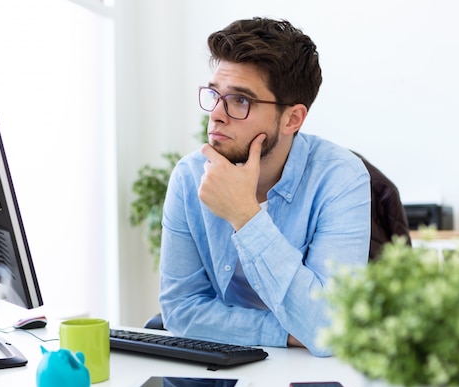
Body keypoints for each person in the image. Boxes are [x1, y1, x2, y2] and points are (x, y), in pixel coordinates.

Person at [158, 17, 371, 357]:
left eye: (240, 101)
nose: (216, 114)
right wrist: (287, 332)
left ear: (292, 119)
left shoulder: (341, 178)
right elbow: (180, 311)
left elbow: (329, 328)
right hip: (229, 365)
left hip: (311, 378)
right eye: (214, 94)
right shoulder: (189, 176)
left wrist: (245, 216)